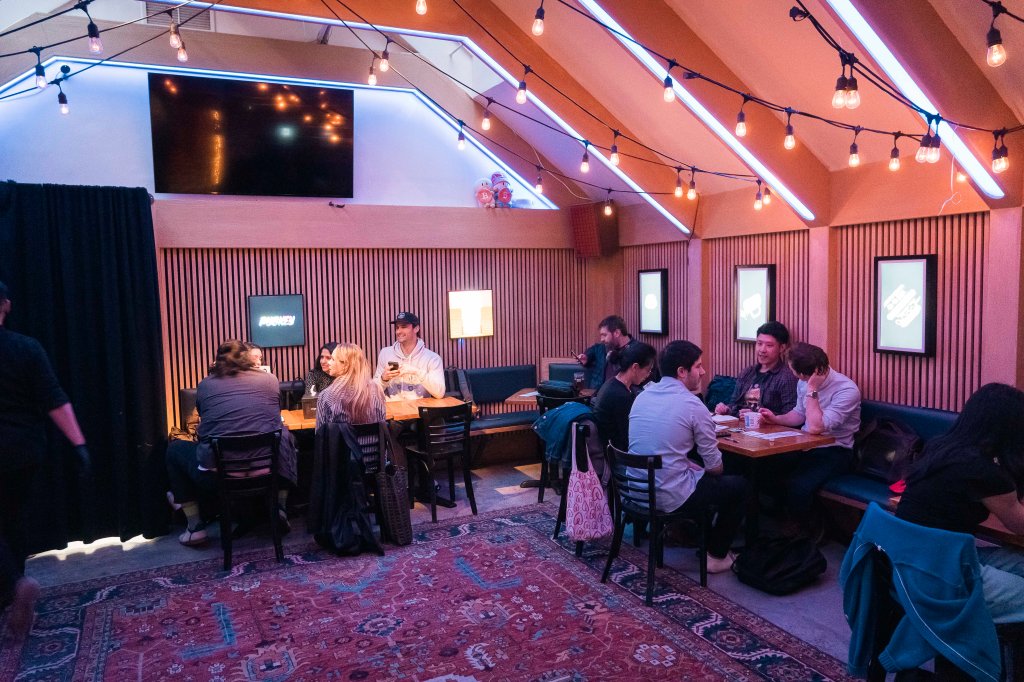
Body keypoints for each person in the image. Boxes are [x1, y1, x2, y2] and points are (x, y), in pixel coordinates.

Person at [0, 280, 91, 641]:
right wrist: (79, 444)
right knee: (14, 520)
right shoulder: (25, 347)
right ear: (5, 305)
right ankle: (13, 593)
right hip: (23, 451)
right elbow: (55, 400)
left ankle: (15, 586)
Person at [896, 383, 1024, 623]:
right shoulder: (981, 470)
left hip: (910, 558)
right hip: (937, 576)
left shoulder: (940, 447)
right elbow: (1019, 525)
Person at [629, 340, 749, 573]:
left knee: (697, 470)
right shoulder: (693, 405)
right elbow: (714, 467)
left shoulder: (642, 395)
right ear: (682, 372)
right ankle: (716, 554)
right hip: (666, 495)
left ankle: (691, 534)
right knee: (740, 486)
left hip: (635, 488)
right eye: (698, 366)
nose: (703, 372)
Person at [165, 339, 298, 546]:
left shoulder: (206, 385)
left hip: (220, 478)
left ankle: (195, 527)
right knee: (286, 439)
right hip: (269, 473)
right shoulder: (270, 380)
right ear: (249, 359)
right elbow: (273, 415)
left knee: (174, 450)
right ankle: (280, 509)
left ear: (217, 361)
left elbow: (204, 424)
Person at [757, 342, 861, 529]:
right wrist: (776, 419)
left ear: (808, 374)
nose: (792, 374)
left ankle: (802, 535)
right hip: (805, 446)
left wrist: (812, 389)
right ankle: (771, 527)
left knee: (798, 486)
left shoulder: (846, 390)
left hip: (835, 450)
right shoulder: (803, 382)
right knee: (764, 468)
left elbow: (815, 427)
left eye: (794, 371)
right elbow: (799, 414)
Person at [715, 321, 797, 417]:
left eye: (769, 345)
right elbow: (734, 403)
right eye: (759, 343)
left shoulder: (786, 377)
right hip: (742, 427)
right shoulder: (747, 372)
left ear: (782, 348)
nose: (762, 350)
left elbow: (790, 415)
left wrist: (758, 416)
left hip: (769, 429)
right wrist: (726, 409)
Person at [592, 341, 657, 451]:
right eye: (648, 370)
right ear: (635, 367)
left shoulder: (613, 383)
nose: (648, 375)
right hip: (617, 457)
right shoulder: (620, 395)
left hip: (613, 450)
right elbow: (628, 437)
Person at [373, 311, 444, 402]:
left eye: (403, 327)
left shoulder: (433, 358)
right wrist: (383, 379)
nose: (398, 331)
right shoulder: (385, 353)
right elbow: (373, 392)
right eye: (397, 327)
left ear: (416, 328)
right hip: (393, 413)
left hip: (420, 413)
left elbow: (440, 393)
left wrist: (417, 372)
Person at [317, 343, 385, 428]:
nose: (329, 363)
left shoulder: (326, 396)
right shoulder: (377, 390)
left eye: (332, 359)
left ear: (345, 365)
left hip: (341, 441)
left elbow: (320, 434)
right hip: (375, 441)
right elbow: (382, 423)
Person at [576, 315, 641, 389]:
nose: (602, 339)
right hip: (596, 396)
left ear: (617, 333)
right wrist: (586, 357)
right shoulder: (603, 347)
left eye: (604, 335)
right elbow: (592, 351)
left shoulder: (637, 351)